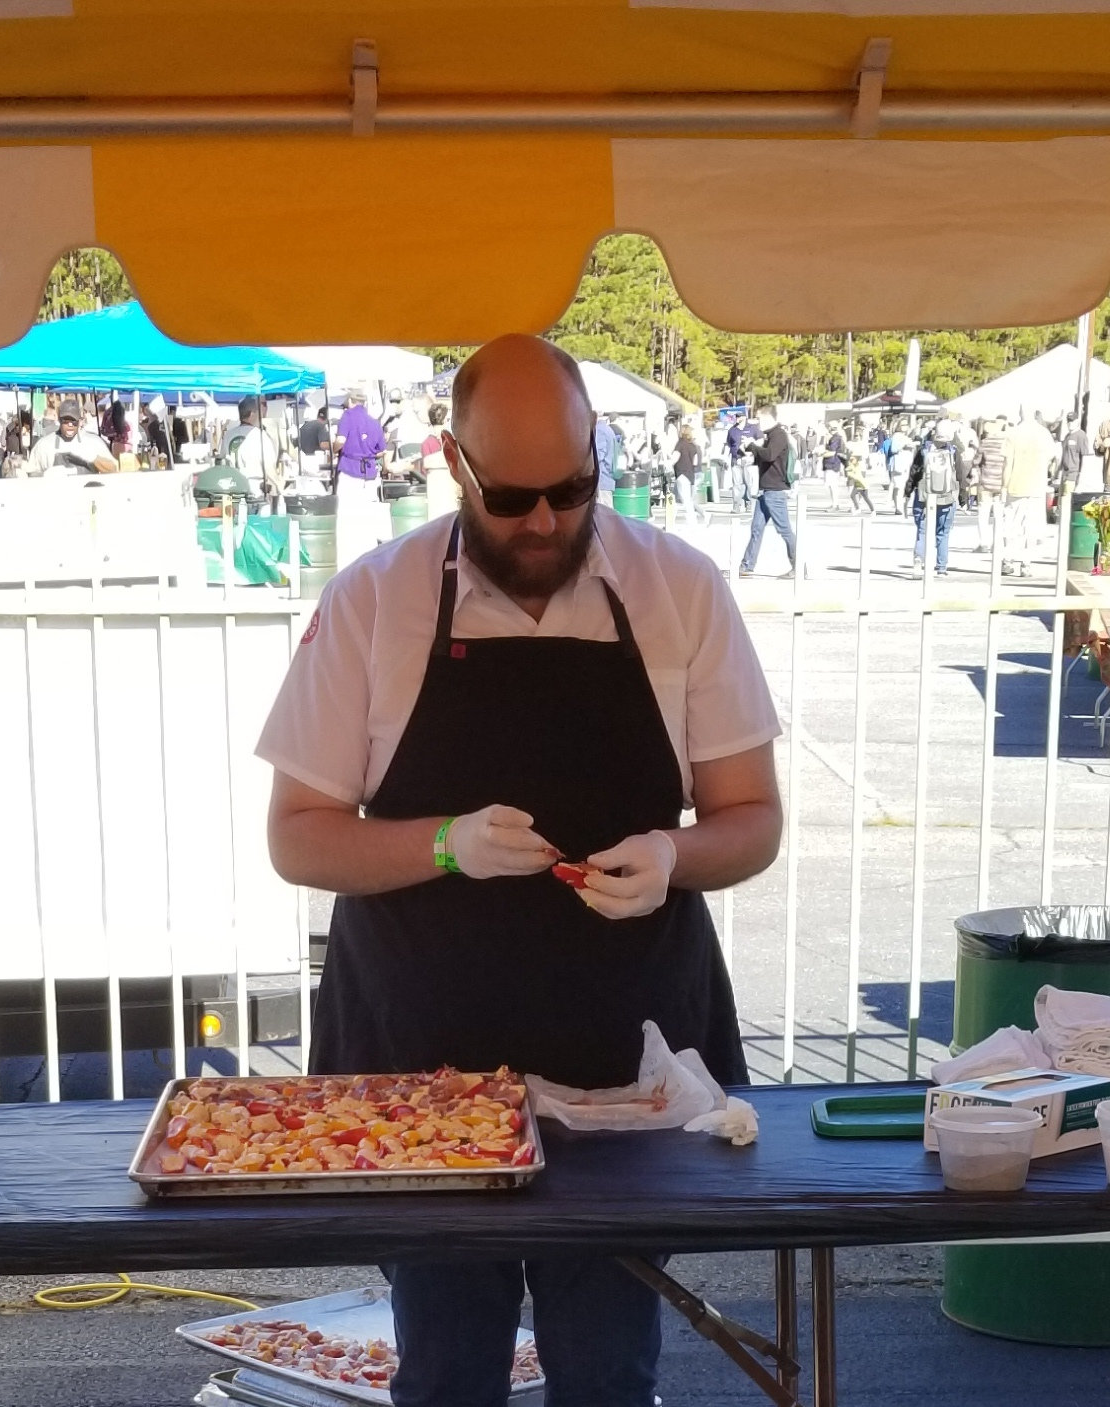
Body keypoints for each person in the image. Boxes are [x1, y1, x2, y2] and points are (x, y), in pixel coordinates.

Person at [257, 333, 782, 1407]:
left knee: (608, 1370)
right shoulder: (374, 603)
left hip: (624, 1065)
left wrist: (675, 855)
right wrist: (443, 842)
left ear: (598, 455)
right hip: (418, 1070)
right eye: (511, 499)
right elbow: (299, 835)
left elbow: (753, 819)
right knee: (448, 1370)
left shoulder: (680, 591)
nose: (544, 522)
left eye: (572, 489)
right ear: (455, 463)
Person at [738, 405, 797, 579]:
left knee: (784, 530)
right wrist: (749, 451)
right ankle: (746, 565)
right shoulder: (770, 436)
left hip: (775, 490)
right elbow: (765, 458)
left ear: (768, 418)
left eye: (759, 419)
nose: (757, 423)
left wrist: (752, 446)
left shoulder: (779, 435)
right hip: (765, 490)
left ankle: (798, 566)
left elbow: (770, 455)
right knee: (756, 529)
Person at [1002, 405, 1057, 578]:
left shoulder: (1012, 433)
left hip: (1015, 486)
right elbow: (1052, 458)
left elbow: (1007, 464)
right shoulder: (1044, 434)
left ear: (1020, 413)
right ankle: (1026, 564)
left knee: (1011, 525)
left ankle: (1007, 559)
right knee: (1031, 528)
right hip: (1036, 486)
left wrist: (1004, 486)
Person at [908, 419, 961, 577]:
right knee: (943, 532)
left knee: (922, 531)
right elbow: (960, 475)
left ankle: (918, 561)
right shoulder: (953, 452)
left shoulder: (924, 450)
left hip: (924, 496)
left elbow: (914, 472)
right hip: (946, 497)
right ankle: (941, 567)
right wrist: (963, 497)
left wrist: (907, 492)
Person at [26, 398, 117, 476]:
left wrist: (94, 459)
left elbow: (113, 469)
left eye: (74, 421)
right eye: (65, 421)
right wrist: (45, 475)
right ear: (59, 420)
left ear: (80, 421)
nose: (70, 425)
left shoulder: (94, 443)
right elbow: (31, 473)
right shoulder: (43, 445)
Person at [333, 386, 386, 503]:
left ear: (350, 401)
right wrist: (369, 454)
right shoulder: (374, 422)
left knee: (347, 509)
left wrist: (334, 450)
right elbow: (382, 451)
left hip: (350, 470)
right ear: (364, 402)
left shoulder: (347, 416)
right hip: (370, 473)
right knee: (368, 510)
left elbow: (340, 441)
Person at [229, 396, 283, 509]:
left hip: (233, 489)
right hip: (255, 491)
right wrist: (279, 488)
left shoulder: (228, 436)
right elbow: (269, 467)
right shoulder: (260, 436)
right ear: (252, 414)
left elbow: (222, 461)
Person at [975, 415, 1010, 553]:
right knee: (999, 515)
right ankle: (997, 543)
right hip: (1001, 483)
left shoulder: (985, 443)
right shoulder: (1006, 444)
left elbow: (976, 461)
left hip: (986, 483)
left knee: (983, 514)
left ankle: (984, 543)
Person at [670, 420, 706, 522]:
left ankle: (691, 519)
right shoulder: (693, 445)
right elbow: (695, 462)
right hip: (690, 474)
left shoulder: (680, 443)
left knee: (684, 499)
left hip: (681, 473)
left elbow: (675, 458)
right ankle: (672, 520)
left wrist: (668, 463)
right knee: (682, 498)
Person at [725, 413, 757, 511]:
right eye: (737, 417)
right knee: (737, 484)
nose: (738, 418)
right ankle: (736, 505)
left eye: (740, 416)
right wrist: (726, 458)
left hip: (748, 460)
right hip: (736, 460)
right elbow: (729, 444)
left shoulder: (752, 428)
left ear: (745, 417)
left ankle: (748, 503)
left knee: (749, 483)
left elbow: (759, 442)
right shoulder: (732, 430)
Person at [1058, 416, 1092, 497]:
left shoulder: (1081, 435)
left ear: (1077, 422)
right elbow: (1063, 455)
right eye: (1068, 421)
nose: (1070, 423)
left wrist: (1080, 478)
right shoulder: (1067, 436)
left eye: (1072, 421)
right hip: (1064, 475)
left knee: (1067, 500)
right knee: (1062, 500)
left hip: (1073, 476)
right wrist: (1058, 472)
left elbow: (1085, 457)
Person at [593, 414, 618, 507]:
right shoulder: (608, 430)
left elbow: (598, 456)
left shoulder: (599, 431)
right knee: (607, 510)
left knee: (602, 511)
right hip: (608, 478)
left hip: (602, 478)